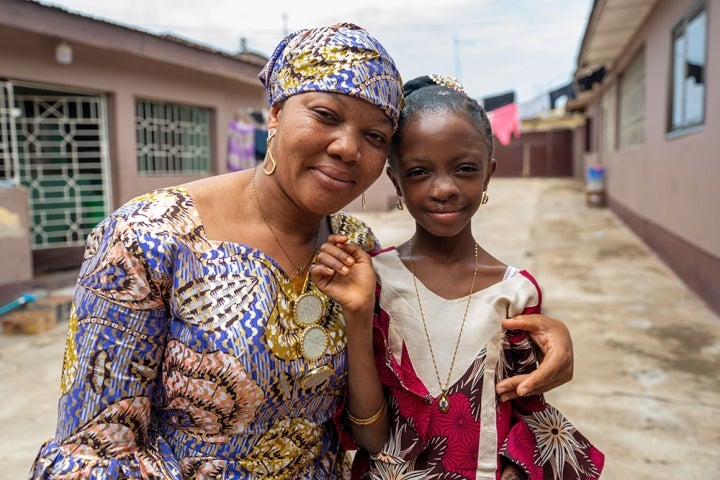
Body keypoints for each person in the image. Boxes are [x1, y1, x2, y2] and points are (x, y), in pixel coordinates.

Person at [28, 23, 574, 479]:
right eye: (326, 115)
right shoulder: (151, 238)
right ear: (274, 111)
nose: (346, 147)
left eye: (375, 135)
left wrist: (550, 337)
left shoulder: (354, 251)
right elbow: (91, 451)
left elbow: (415, 376)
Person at [311, 75, 605, 479]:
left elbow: (524, 408)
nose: (444, 189)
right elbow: (371, 437)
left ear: (488, 174)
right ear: (396, 181)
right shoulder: (372, 279)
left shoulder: (516, 292)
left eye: (464, 169)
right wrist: (359, 315)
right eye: (418, 172)